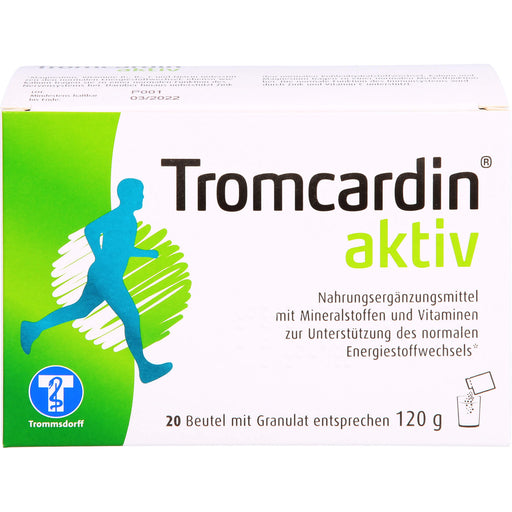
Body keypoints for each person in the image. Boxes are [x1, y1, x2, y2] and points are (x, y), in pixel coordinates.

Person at [20, 178, 172, 384]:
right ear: (128, 196)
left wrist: (147, 253)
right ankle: (144, 368)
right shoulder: (119, 216)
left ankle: (33, 328)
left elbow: (121, 249)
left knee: (80, 310)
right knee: (131, 317)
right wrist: (99, 255)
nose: (142, 196)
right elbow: (91, 229)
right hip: (107, 276)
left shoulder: (128, 219)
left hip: (104, 275)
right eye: (139, 193)